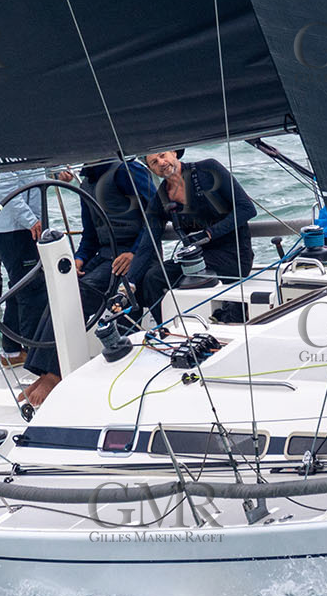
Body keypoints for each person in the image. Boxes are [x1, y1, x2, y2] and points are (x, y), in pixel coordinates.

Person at [19, 158, 159, 406]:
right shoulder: (87, 183)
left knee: (82, 294)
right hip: (104, 255)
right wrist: (80, 259)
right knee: (59, 291)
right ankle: (44, 372)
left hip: (134, 255)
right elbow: (90, 236)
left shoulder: (129, 170)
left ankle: (55, 375)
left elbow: (157, 213)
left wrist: (136, 252)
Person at [136, 149, 258, 326]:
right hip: (196, 262)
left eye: (162, 156)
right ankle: (169, 330)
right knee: (153, 278)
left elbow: (247, 209)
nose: (161, 163)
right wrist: (129, 285)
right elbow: (147, 246)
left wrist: (209, 234)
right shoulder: (160, 198)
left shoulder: (208, 169)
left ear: (174, 153)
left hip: (235, 256)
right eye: (154, 162)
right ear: (151, 169)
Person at [0, 167, 53, 368]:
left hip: (21, 225)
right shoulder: (3, 145)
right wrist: (31, 221)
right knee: (31, 289)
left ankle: (12, 350)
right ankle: (35, 354)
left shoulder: (22, 140)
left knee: (19, 285)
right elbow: (6, 188)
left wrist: (55, 174)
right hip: (15, 228)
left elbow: (34, 167)